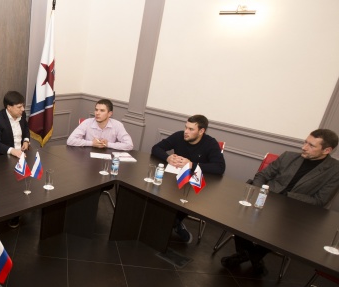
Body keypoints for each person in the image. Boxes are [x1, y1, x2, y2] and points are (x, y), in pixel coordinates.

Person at [221, 129, 339, 275]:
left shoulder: (335, 170)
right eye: (305, 142)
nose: (304, 147)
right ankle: (254, 257)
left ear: (327, 150)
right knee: (238, 218)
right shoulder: (288, 156)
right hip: (267, 200)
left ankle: (246, 255)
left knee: (279, 231)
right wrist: (259, 192)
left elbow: (320, 200)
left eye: (311, 145)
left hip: (297, 213)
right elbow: (262, 175)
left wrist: (285, 196)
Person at [151, 114, 225, 242]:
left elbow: (219, 167)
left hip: (196, 184)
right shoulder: (179, 136)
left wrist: (191, 165)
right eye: (186, 127)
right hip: (174, 180)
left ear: (201, 131)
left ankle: (174, 222)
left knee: (186, 197)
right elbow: (156, 148)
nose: (186, 131)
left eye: (191, 129)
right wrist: (167, 158)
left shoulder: (210, 143)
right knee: (158, 188)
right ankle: (169, 222)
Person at [66, 99, 133, 150]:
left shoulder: (117, 125)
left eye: (102, 110)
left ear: (109, 114)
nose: (97, 113)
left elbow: (129, 145)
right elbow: (70, 141)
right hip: (87, 157)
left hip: (108, 159)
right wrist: (92, 143)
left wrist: (107, 144)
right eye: (96, 110)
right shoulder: (87, 122)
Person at [0, 91, 30, 158]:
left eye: (23, 106)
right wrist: (12, 151)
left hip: (22, 155)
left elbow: (26, 128)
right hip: (4, 157)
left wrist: (26, 140)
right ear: (9, 107)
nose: (23, 109)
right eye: (19, 107)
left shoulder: (22, 114)